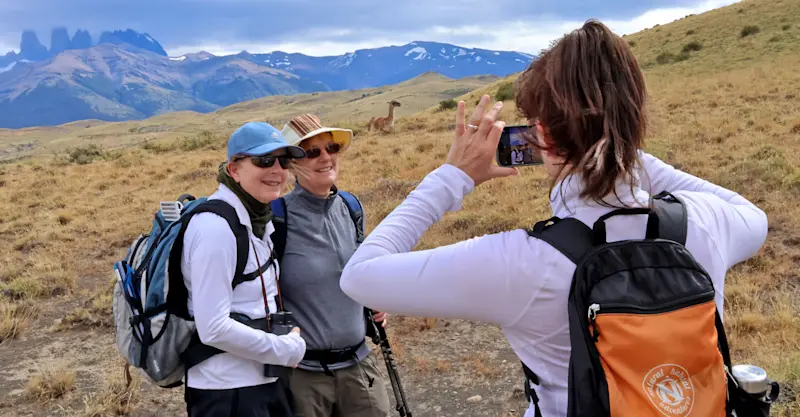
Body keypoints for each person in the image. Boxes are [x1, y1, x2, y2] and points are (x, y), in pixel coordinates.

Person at [339, 20, 768, 417]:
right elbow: (754, 217)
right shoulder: (709, 223)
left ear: (541, 135)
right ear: (635, 118)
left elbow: (359, 277)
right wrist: (625, 155)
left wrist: (451, 177)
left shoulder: (520, 262)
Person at [180, 121, 309, 417]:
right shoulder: (216, 229)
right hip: (228, 392)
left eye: (283, 161)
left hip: (262, 382)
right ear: (234, 169)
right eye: (264, 161)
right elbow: (212, 328)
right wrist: (284, 349)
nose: (278, 170)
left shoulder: (255, 220)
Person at [272, 113, 391, 417]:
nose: (325, 157)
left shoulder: (351, 208)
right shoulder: (276, 220)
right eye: (312, 152)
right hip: (304, 378)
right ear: (292, 163)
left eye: (332, 148)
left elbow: (360, 272)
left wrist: (374, 302)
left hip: (359, 366)